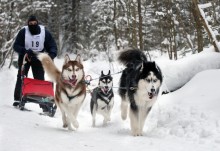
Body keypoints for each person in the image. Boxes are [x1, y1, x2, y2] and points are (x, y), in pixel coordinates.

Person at [13, 15, 57, 112]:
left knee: (40, 80)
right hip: (25, 57)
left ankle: (44, 104)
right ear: (28, 24)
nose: (32, 25)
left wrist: (52, 54)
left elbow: (52, 45)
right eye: (30, 24)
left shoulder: (44, 32)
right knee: (21, 77)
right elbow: (16, 46)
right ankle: (18, 99)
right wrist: (24, 50)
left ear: (37, 23)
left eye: (34, 23)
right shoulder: (23, 31)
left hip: (38, 57)